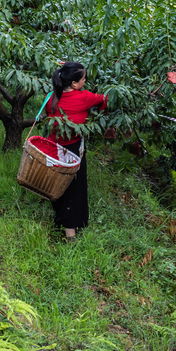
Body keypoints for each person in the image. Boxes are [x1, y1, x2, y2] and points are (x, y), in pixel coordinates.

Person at [47, 61, 108, 241]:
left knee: (58, 186)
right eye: (83, 79)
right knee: (74, 189)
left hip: (53, 148)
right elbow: (105, 100)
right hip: (73, 149)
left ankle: (59, 219)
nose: (85, 82)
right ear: (74, 84)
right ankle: (70, 235)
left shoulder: (51, 97)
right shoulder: (84, 97)